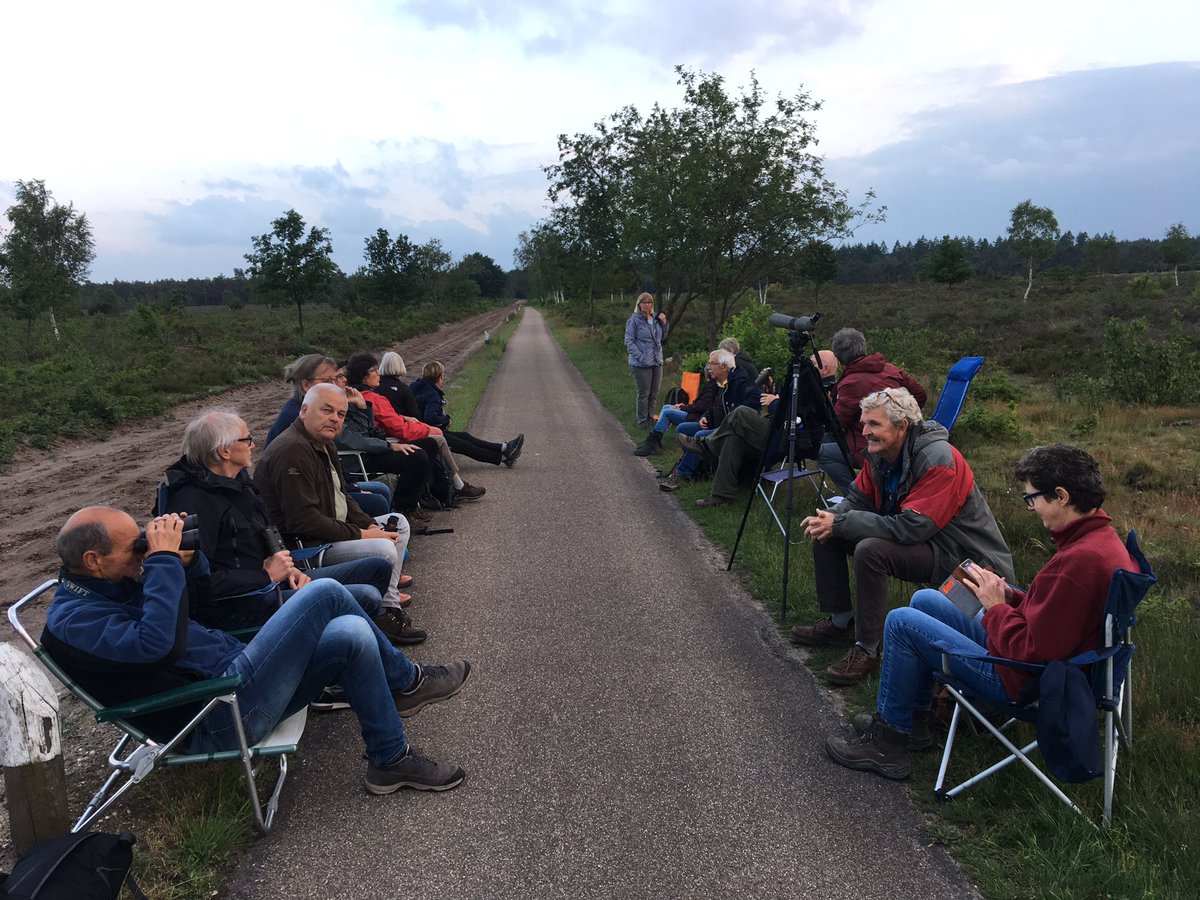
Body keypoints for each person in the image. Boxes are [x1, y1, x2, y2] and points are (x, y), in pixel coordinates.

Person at [44, 507, 470, 794]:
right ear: (93, 560)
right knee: (324, 592)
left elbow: (200, 608)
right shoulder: (74, 622)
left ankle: (389, 759)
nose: (143, 552)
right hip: (217, 714)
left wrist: (186, 562)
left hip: (234, 682)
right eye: (133, 547)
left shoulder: (114, 582)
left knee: (351, 631)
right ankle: (408, 682)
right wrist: (162, 561)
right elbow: (158, 647)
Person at [825, 445, 1138, 780]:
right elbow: (1052, 614)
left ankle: (887, 744)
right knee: (926, 600)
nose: (1031, 508)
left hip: (1021, 678)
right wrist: (1011, 597)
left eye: (1032, 498)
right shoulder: (1101, 542)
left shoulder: (1079, 562)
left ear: (1061, 496)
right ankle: (913, 722)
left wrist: (996, 607)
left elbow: (1031, 651)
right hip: (1050, 665)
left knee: (902, 622)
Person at [790, 387, 1014, 685]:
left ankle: (867, 650)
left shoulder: (938, 459)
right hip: (929, 543)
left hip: (963, 556)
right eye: (864, 423)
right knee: (828, 531)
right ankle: (841, 622)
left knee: (870, 549)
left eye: (874, 424)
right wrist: (831, 519)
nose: (865, 431)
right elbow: (857, 498)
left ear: (902, 425)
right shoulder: (881, 454)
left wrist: (843, 522)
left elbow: (912, 527)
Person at [164, 409, 419, 640]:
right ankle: (369, 652)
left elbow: (267, 535)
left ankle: (363, 642)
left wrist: (289, 569)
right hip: (247, 602)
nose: (253, 445)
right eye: (247, 439)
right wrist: (264, 575)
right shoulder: (193, 503)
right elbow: (196, 585)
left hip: (276, 581)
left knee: (377, 568)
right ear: (225, 451)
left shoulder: (237, 483)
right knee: (365, 595)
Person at [253, 384, 421, 644]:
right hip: (307, 546)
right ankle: (384, 613)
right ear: (304, 411)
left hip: (331, 529)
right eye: (327, 410)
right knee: (383, 549)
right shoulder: (292, 451)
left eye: (341, 414)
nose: (334, 418)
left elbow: (343, 496)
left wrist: (368, 525)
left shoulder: (323, 443)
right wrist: (364, 534)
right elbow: (303, 522)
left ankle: (388, 605)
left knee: (398, 523)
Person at [817, 328, 927, 496]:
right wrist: (901, 423)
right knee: (826, 440)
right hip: (904, 441)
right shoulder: (891, 369)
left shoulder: (850, 383)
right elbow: (920, 395)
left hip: (871, 444)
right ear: (863, 348)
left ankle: (858, 495)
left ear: (839, 359)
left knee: (821, 452)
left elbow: (836, 423)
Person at [661, 348, 760, 492]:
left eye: (712, 364)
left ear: (724, 367)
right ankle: (700, 467)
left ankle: (682, 475)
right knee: (682, 428)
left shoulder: (740, 383)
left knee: (699, 435)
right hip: (716, 425)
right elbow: (714, 407)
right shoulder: (719, 383)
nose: (708, 367)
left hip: (730, 431)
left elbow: (755, 398)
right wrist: (706, 417)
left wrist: (734, 415)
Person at [624, 292, 669, 429]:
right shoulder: (634, 320)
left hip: (656, 360)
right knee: (644, 393)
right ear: (639, 304)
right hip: (641, 363)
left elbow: (663, 337)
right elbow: (629, 341)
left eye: (649, 302)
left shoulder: (655, 318)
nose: (647, 305)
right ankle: (642, 421)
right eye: (644, 302)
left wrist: (664, 323)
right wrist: (640, 356)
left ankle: (650, 417)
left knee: (654, 393)